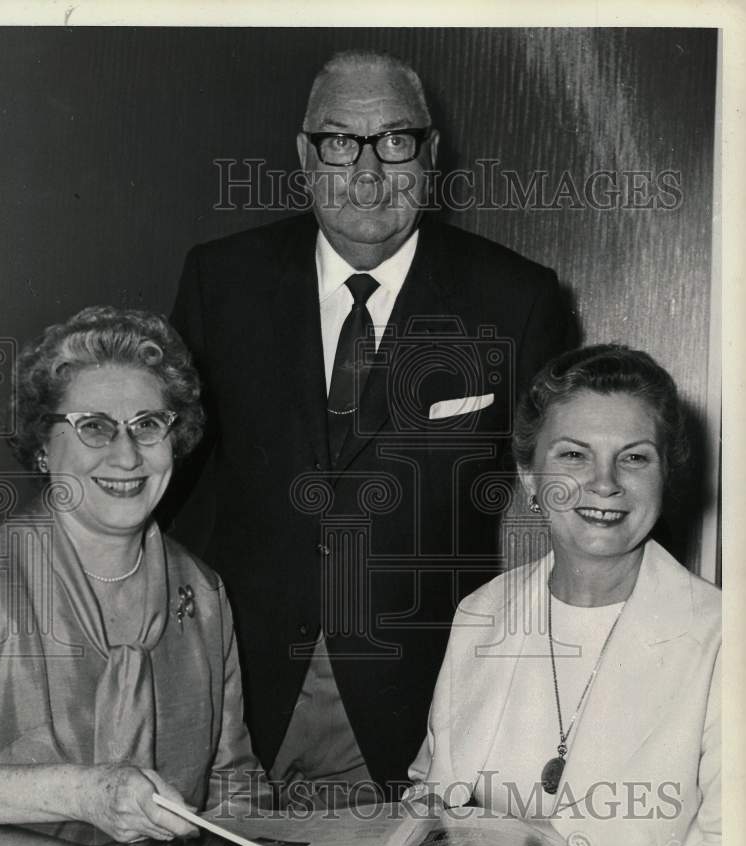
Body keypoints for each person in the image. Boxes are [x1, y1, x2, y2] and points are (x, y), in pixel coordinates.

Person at [169, 50, 575, 800]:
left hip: (419, 703)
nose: (366, 173)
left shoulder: (514, 300)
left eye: (394, 141)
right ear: (303, 155)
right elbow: (163, 480)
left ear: (430, 154)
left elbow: (556, 507)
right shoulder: (221, 281)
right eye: (338, 142)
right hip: (230, 694)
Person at [407, 344, 721, 846]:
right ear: (529, 478)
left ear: (665, 478)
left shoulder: (723, 639)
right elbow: (431, 799)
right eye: (573, 454)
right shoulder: (481, 614)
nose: (604, 484)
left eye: (634, 458)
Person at [0, 306, 268, 843]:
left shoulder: (202, 591)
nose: (126, 456)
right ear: (41, 445)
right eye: (94, 428)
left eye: (148, 425)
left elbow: (233, 789)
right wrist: (85, 794)